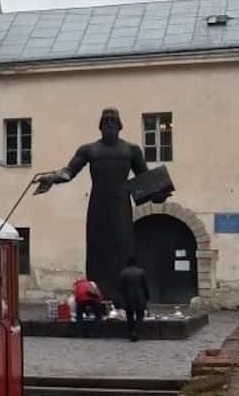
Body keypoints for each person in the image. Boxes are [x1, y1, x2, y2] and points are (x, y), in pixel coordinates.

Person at [35, 108, 170, 304]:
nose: (109, 124)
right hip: (98, 203)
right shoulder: (89, 150)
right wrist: (52, 177)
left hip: (121, 204)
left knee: (123, 247)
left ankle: (123, 297)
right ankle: (95, 295)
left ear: (120, 125)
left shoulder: (131, 150)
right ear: (100, 125)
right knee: (96, 248)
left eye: (113, 121)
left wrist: (158, 194)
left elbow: (144, 178)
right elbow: (69, 171)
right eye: (106, 121)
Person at [119, 257, 151, 342]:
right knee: (140, 315)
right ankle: (135, 331)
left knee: (129, 316)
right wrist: (147, 297)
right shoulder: (141, 272)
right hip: (140, 297)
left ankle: (130, 333)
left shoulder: (123, 273)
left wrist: (122, 300)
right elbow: (145, 286)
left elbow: (121, 288)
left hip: (128, 298)